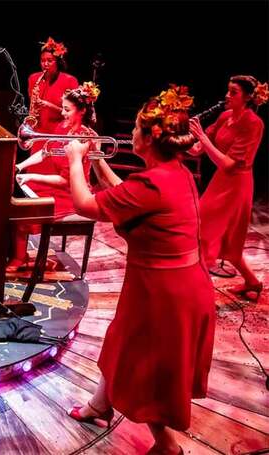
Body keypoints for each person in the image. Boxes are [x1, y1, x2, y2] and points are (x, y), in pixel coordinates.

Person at [64, 85, 216, 455]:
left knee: (146, 371)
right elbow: (124, 195)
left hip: (164, 294)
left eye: (134, 128)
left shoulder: (152, 183)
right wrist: (98, 160)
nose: (128, 133)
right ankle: (100, 405)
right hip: (174, 284)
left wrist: (73, 159)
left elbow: (85, 204)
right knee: (121, 342)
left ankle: (167, 445)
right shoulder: (173, 173)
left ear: (149, 138)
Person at [6, 81, 100, 272]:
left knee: (27, 213)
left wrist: (31, 177)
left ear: (81, 111)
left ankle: (19, 258)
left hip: (73, 194)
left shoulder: (85, 136)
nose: (63, 113)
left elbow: (66, 181)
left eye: (67, 109)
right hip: (59, 188)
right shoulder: (63, 127)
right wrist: (20, 166)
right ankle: (17, 254)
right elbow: (45, 152)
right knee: (17, 203)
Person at [189, 75, 267, 301]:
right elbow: (197, 149)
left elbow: (230, 164)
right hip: (221, 182)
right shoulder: (225, 116)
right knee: (230, 244)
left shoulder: (253, 124)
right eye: (228, 91)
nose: (227, 95)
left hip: (237, 185)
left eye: (233, 92)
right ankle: (252, 281)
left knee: (203, 232)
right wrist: (174, 138)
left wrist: (202, 137)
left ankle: (198, 290)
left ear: (248, 97)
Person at [24, 37, 79, 144]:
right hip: (38, 131)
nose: (45, 64)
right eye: (42, 60)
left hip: (60, 132)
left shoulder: (70, 80)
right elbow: (33, 108)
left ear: (57, 62)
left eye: (49, 61)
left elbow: (74, 113)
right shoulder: (33, 78)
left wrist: (48, 105)